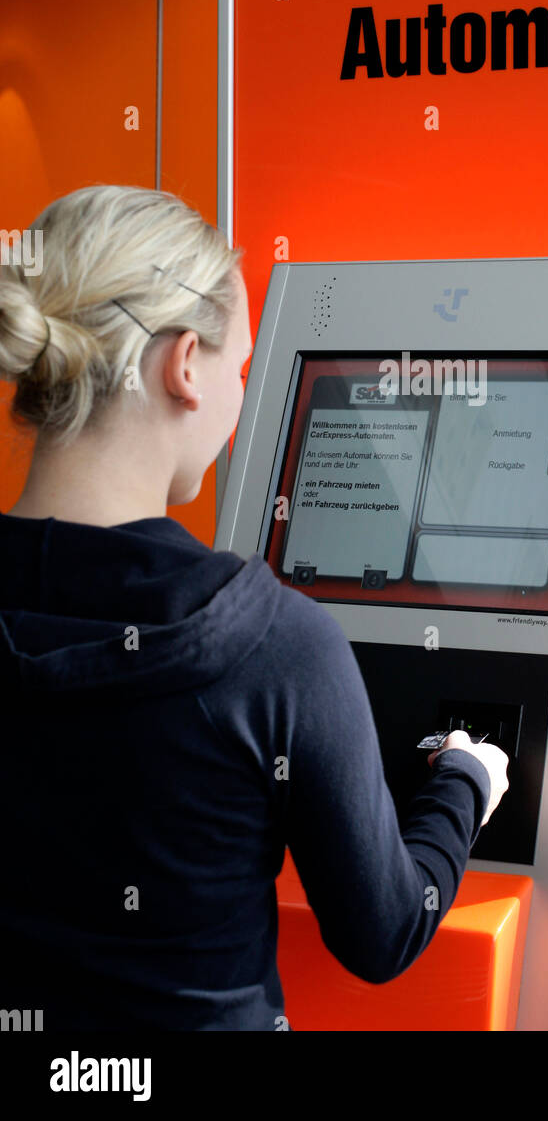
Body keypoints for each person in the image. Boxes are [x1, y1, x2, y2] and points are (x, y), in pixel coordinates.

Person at [0, 184, 509, 1031]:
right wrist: (465, 780)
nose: (240, 400)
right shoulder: (278, 646)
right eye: (239, 369)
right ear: (183, 366)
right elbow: (383, 931)